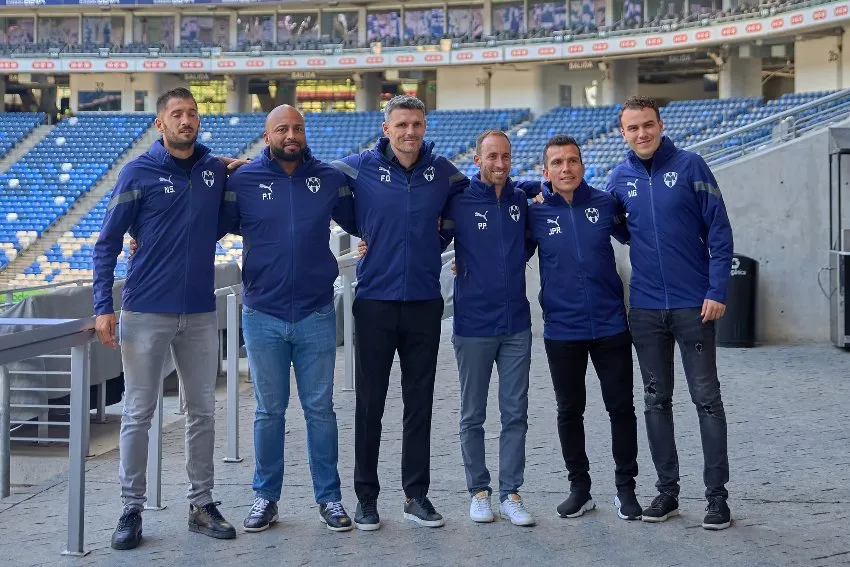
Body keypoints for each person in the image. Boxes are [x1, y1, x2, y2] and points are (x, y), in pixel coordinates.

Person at [93, 87, 236, 550]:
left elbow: (230, 196)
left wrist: (236, 166)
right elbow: (107, 243)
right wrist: (102, 306)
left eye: (192, 113)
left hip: (199, 312)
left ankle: (201, 504)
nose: (185, 120)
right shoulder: (137, 172)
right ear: (160, 123)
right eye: (177, 114)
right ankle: (130, 509)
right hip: (145, 311)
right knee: (138, 412)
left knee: (202, 411)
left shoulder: (213, 170)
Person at [217, 105, 358, 533]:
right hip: (263, 314)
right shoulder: (243, 180)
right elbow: (205, 223)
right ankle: (265, 497)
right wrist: (140, 238)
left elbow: (366, 218)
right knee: (269, 411)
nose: (291, 135)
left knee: (320, 410)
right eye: (282, 129)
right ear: (267, 136)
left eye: (297, 128)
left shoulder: (329, 178)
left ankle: (330, 499)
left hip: (316, 312)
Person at [330, 94, 467, 530]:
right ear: (386, 128)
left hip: (424, 301)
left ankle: (416, 495)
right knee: (370, 404)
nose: (410, 132)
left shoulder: (443, 171)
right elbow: (315, 183)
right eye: (402, 124)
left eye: (417, 124)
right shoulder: (358, 167)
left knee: (419, 403)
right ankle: (366, 498)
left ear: (425, 127)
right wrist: (365, 230)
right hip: (375, 301)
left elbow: (473, 196)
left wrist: (442, 235)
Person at [607, 95, 734, 530]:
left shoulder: (691, 166)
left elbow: (719, 230)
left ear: (660, 125)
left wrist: (716, 289)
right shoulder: (619, 177)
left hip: (694, 305)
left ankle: (717, 497)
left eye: (648, 124)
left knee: (707, 400)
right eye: (633, 127)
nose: (641, 133)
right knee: (655, 400)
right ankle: (667, 492)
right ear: (623, 133)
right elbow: (617, 225)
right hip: (645, 309)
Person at [526, 135, 643, 521]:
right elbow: (504, 250)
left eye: (572, 161)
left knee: (621, 408)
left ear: (582, 164)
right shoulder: (535, 214)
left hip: (611, 325)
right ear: (546, 172)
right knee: (569, 410)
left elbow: (641, 236)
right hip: (562, 330)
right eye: (557, 163)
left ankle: (626, 487)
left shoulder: (606, 204)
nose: (566, 168)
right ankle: (580, 488)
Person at [440, 130, 535, 526]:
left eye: (505, 157)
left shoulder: (520, 199)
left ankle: (511, 493)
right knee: (472, 414)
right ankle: (479, 492)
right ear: (477, 160)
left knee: (515, 413)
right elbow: (427, 237)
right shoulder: (458, 201)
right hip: (473, 324)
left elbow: (527, 242)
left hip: (516, 324)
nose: (500, 164)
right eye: (492, 156)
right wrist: (369, 243)